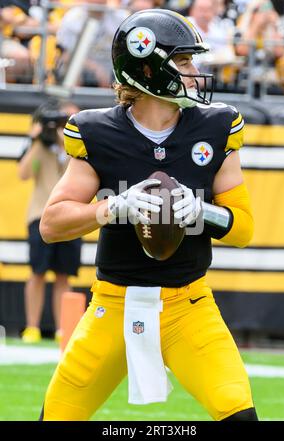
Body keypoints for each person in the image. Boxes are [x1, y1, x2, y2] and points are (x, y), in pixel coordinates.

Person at [39, 9, 257, 421]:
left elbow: (244, 229)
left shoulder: (217, 126)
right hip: (113, 305)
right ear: (149, 66)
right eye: (184, 60)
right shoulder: (98, 131)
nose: (195, 70)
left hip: (189, 305)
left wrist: (204, 212)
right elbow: (52, 224)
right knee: (57, 415)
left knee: (238, 411)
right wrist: (111, 207)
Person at [19, 99, 82, 344]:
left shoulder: (72, 146)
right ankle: (32, 327)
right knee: (37, 272)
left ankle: (62, 329)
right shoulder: (39, 146)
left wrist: (60, 138)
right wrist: (37, 139)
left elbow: (72, 167)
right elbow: (25, 173)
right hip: (40, 215)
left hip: (71, 215)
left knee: (64, 275)